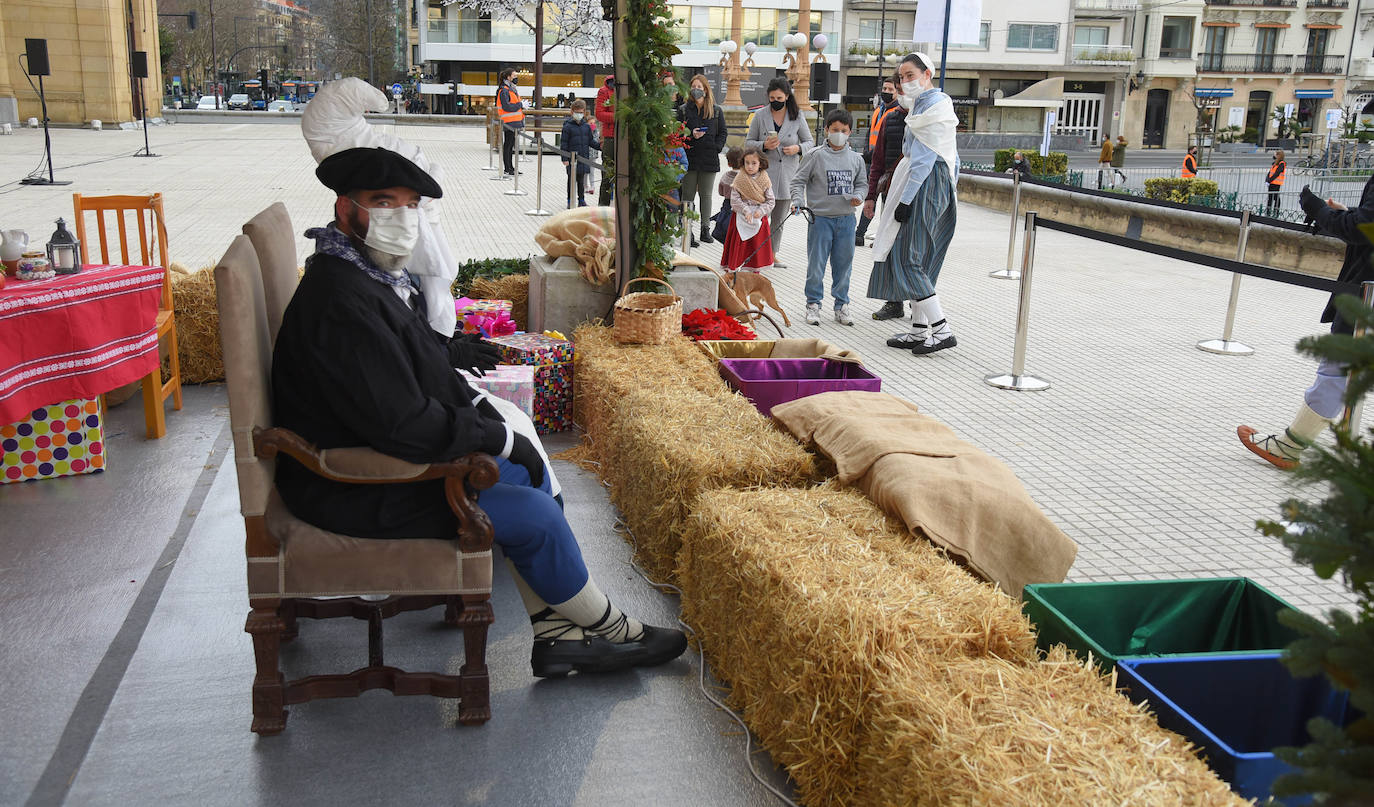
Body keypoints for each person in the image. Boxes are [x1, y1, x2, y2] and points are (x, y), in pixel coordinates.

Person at [273, 146, 688, 676]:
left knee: (520, 471)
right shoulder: (340, 302)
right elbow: (401, 424)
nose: (402, 219)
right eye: (383, 203)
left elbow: (404, 370)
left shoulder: (360, 277)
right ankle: (609, 629)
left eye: (410, 205)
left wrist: (482, 415)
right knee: (533, 511)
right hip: (351, 483)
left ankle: (557, 633)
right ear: (344, 210)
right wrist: (495, 436)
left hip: (376, 458)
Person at [1238, 178, 1374, 470]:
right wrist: (1342, 215)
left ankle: (1289, 446)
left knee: (1336, 371)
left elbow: (1364, 227)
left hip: (1366, 296)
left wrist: (1319, 210)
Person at [871, 52, 961, 356]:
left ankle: (941, 329)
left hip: (925, 185)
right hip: (933, 184)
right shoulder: (924, 106)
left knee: (910, 258)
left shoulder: (934, 107)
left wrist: (906, 201)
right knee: (920, 259)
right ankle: (919, 330)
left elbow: (922, 161)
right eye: (901, 77)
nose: (904, 81)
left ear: (927, 74)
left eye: (910, 75)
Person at [791, 109, 867, 327]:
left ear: (850, 132)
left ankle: (841, 304)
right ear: (826, 130)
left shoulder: (855, 159)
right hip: (820, 219)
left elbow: (862, 183)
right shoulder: (814, 156)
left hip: (846, 219)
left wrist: (859, 196)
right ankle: (813, 304)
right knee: (816, 264)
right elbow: (798, 181)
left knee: (844, 265)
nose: (839, 134)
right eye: (835, 130)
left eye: (844, 130)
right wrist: (797, 201)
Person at [745, 78, 813, 270]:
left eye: (779, 98)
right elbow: (748, 142)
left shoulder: (797, 116)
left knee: (778, 220)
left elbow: (810, 142)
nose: (775, 101)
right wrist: (764, 146)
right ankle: (754, 253)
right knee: (759, 217)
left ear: (787, 97)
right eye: (772, 97)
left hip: (786, 175)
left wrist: (797, 148)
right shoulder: (760, 115)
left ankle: (772, 255)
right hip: (762, 175)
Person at [865, 72, 910, 321]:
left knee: (915, 250)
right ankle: (894, 301)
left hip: (919, 195)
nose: (902, 94)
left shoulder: (926, 119)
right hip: (891, 193)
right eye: (899, 89)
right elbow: (877, 162)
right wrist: (871, 196)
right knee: (891, 245)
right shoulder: (889, 119)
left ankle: (919, 302)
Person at [676, 74, 729, 247]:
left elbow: (723, 132)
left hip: (709, 157)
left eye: (700, 87)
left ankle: (705, 229)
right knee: (688, 195)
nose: (696, 90)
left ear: (706, 90)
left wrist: (716, 147)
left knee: (706, 195)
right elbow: (676, 132)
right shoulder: (684, 110)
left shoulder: (716, 110)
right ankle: (687, 230)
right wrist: (692, 134)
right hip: (689, 157)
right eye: (694, 86)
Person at [856, 77, 901, 247]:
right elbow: (871, 133)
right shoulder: (879, 109)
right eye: (885, 89)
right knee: (871, 197)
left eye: (891, 90)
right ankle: (860, 234)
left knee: (886, 202)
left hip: (886, 161)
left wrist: (871, 154)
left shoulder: (896, 113)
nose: (887, 92)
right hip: (874, 161)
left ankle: (883, 237)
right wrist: (867, 153)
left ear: (897, 92)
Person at [721, 147, 775, 273]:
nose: (750, 166)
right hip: (741, 215)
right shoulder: (739, 179)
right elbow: (734, 200)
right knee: (740, 244)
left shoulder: (765, 179)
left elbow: (771, 200)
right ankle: (736, 268)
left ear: (760, 163)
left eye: (754, 163)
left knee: (756, 244)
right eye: (747, 163)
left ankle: (755, 269)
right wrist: (745, 210)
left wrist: (761, 211)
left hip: (758, 216)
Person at [560, 99, 597, 208]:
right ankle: (570, 200)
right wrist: (564, 158)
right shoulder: (567, 126)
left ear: (584, 112)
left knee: (581, 180)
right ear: (572, 112)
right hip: (572, 159)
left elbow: (590, 141)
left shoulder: (586, 127)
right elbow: (564, 143)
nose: (579, 114)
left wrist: (600, 147)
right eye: (577, 112)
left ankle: (581, 200)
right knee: (571, 180)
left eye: (581, 112)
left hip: (583, 157)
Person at [711, 146, 744, 243]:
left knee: (725, 230)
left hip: (727, 204)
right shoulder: (744, 178)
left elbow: (720, 192)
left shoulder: (726, 176)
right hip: (740, 207)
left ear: (729, 163)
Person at [496, 67, 524, 178]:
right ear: (508, 77)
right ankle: (508, 168)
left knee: (510, 145)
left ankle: (511, 168)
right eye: (514, 76)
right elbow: (507, 106)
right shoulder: (504, 90)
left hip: (514, 122)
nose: (516, 78)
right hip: (508, 122)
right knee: (508, 145)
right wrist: (520, 105)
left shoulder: (511, 89)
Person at [595, 75, 616, 206]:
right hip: (611, 137)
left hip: (627, 136)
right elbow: (599, 113)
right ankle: (603, 207)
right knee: (607, 176)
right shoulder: (604, 91)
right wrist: (618, 116)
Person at [1266, 150, 1286, 215]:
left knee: (1276, 198)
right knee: (1270, 198)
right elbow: (1270, 172)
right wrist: (1267, 180)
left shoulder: (1282, 163)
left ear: (1278, 156)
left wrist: (1269, 180)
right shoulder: (1275, 163)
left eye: (1275, 154)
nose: (1274, 156)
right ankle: (1268, 212)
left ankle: (1276, 212)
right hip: (1271, 183)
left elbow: (1277, 173)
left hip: (1276, 183)